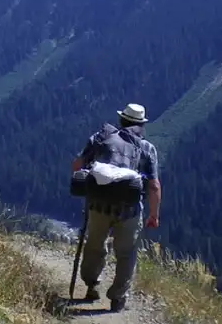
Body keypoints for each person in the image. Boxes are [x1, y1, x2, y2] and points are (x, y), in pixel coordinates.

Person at [70, 102, 161, 313]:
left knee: (94, 245)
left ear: (121, 120)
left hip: (98, 205)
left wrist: (86, 184)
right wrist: (154, 215)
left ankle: (92, 285)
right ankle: (118, 297)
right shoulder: (147, 148)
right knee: (126, 253)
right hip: (130, 210)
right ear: (141, 125)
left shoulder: (100, 138)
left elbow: (77, 166)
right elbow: (154, 185)